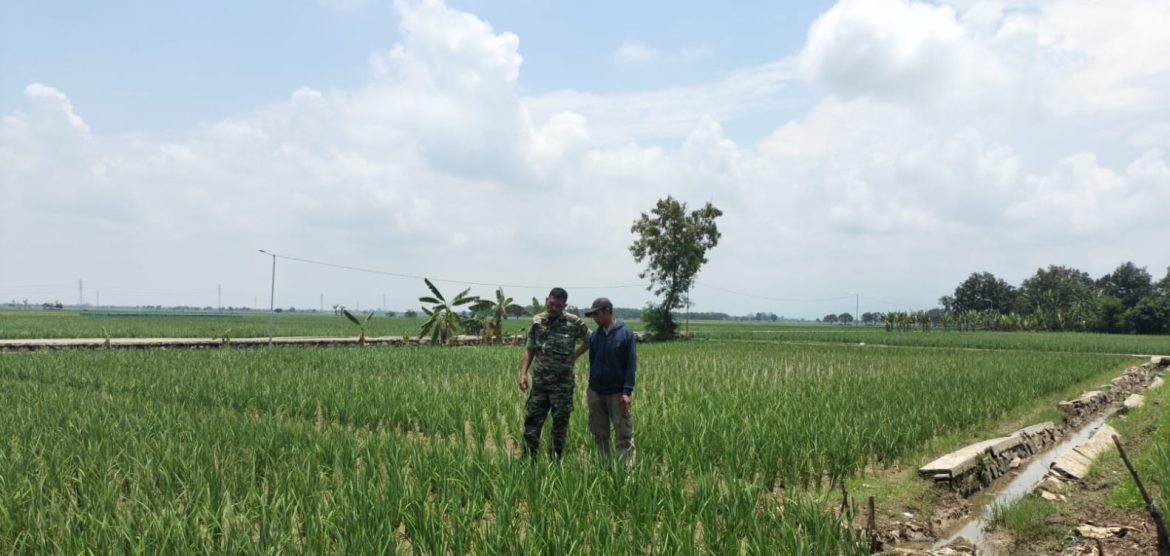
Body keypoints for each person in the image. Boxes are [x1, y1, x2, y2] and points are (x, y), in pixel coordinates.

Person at [518, 287, 589, 460]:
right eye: (551, 304)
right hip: (541, 384)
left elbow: (589, 341)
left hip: (562, 385)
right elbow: (530, 348)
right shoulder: (537, 321)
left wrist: (574, 356)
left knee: (560, 425)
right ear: (546, 301)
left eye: (558, 305)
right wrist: (523, 373)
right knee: (532, 422)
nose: (554, 308)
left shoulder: (574, 322)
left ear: (565, 305)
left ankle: (555, 461)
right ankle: (528, 460)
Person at [583, 297, 637, 464]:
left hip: (617, 393)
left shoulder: (626, 334)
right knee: (599, 433)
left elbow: (631, 364)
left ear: (607, 311)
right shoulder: (595, 336)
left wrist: (627, 391)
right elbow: (593, 362)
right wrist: (591, 388)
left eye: (596, 314)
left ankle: (626, 473)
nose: (594, 318)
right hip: (596, 392)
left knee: (623, 433)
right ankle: (604, 468)